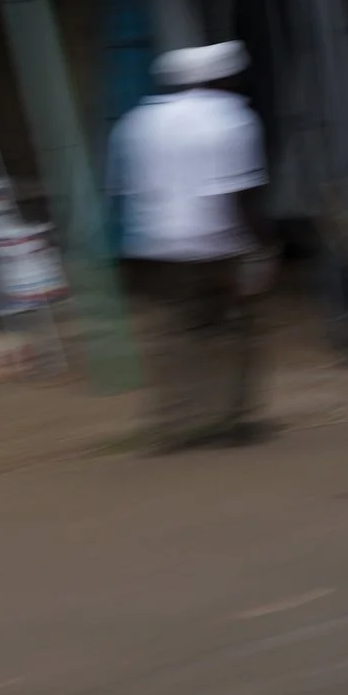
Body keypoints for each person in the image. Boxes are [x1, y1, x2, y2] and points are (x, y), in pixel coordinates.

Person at [109, 41, 277, 451]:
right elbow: (241, 193)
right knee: (233, 333)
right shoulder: (232, 118)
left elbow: (122, 191)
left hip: (155, 247)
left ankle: (171, 425)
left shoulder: (137, 122)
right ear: (223, 78)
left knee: (171, 336)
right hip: (217, 246)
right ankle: (229, 422)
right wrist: (261, 247)